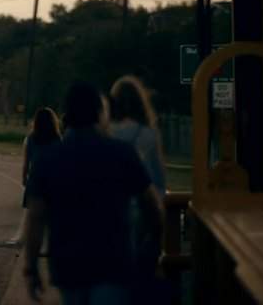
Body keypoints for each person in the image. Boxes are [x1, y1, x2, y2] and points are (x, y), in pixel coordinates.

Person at [23, 82, 164, 305]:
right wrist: (152, 248)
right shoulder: (121, 152)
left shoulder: (47, 159)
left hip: (68, 263)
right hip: (113, 261)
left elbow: (36, 218)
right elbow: (152, 206)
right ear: (101, 112)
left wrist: (31, 268)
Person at [110, 76, 168, 300]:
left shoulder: (106, 133)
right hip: (143, 209)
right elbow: (158, 181)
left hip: (112, 210)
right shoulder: (148, 135)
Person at [9, 107, 62, 244]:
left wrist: (24, 177)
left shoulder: (31, 138)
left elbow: (26, 162)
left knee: (32, 213)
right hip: (53, 179)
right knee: (52, 214)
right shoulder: (57, 139)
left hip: (36, 178)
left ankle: (26, 238)